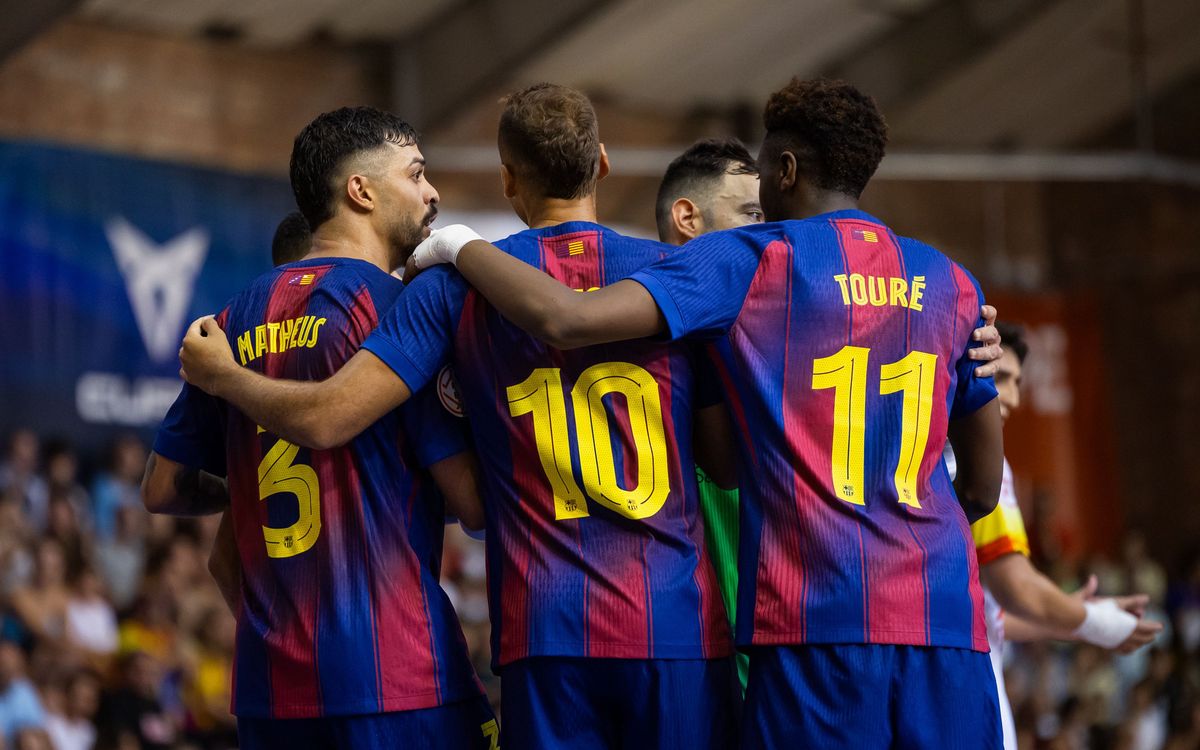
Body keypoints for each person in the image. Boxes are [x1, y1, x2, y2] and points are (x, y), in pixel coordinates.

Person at [395, 77, 1017, 747]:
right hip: (946, 618)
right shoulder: (952, 283)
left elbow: (567, 317)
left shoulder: (748, 261)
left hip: (814, 620)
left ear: (785, 170)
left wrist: (458, 246)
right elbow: (982, 487)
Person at [180, 82, 740, 750]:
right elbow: (724, 460)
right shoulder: (676, 274)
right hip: (675, 617)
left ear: (507, 180)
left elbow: (332, 419)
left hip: (545, 626)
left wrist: (224, 377)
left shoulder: (449, 295)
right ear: (604, 164)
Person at [145, 106, 496, 749]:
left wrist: (246, 490)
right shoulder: (398, 312)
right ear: (360, 192)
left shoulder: (228, 323)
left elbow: (163, 490)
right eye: (417, 174)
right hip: (396, 674)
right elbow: (471, 501)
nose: (433, 193)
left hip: (271, 690)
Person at [963, 321, 1162, 750]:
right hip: (973, 695)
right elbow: (1017, 588)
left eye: (1017, 382)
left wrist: (1067, 619)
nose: (1013, 397)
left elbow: (991, 618)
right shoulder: (981, 467)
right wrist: (1096, 624)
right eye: (1001, 379)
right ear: (966, 371)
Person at [654, 137, 763, 691]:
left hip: (776, 657)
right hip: (685, 656)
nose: (766, 234)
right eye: (750, 214)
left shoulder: (782, 327)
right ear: (687, 218)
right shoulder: (633, 332)